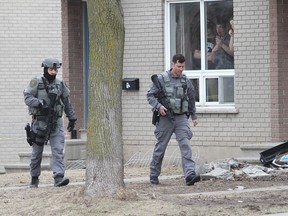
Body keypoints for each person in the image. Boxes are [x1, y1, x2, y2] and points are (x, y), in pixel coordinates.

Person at [146, 54, 200, 186]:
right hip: (165, 118)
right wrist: (159, 106)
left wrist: (194, 116)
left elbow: (191, 98)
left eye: (183, 66)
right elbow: (150, 95)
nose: (181, 69)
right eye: (178, 66)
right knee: (161, 147)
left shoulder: (185, 80)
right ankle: (154, 175)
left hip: (181, 117)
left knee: (185, 145)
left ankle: (189, 175)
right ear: (172, 64)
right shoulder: (161, 79)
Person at [23, 57, 77, 188]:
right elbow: (27, 98)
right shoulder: (36, 82)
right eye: (51, 69)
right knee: (36, 153)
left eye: (55, 69)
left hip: (56, 123)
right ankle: (34, 178)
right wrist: (40, 104)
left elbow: (66, 101)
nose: (53, 72)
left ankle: (58, 177)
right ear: (46, 69)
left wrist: (72, 117)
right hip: (39, 123)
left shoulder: (60, 83)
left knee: (58, 150)